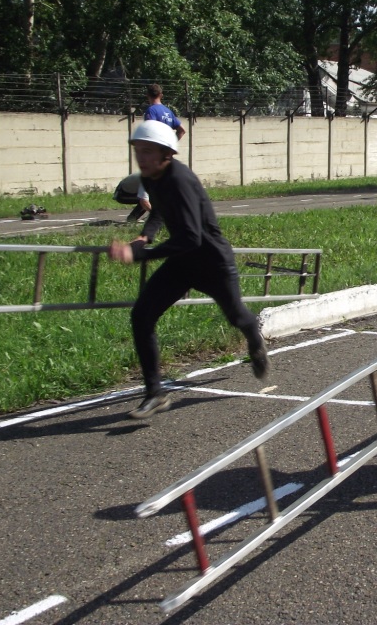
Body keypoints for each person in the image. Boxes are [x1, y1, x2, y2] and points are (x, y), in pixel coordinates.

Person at [108, 120, 269, 420]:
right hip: (182, 263)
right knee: (142, 315)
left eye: (147, 152)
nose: (141, 158)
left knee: (237, 316)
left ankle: (253, 337)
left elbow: (191, 238)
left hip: (211, 262)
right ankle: (154, 393)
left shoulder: (179, 179)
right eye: (137, 151)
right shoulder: (153, 177)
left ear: (167, 153)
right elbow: (158, 211)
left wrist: (140, 254)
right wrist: (146, 235)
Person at [125, 84, 187, 222]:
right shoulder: (168, 111)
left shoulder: (151, 111)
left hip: (155, 157)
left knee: (145, 193)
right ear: (161, 95)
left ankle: (161, 217)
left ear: (148, 96)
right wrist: (171, 145)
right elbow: (182, 130)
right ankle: (133, 218)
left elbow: (150, 131)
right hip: (165, 156)